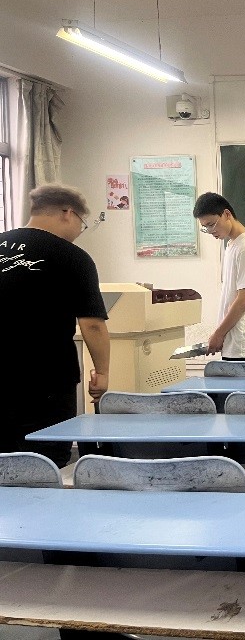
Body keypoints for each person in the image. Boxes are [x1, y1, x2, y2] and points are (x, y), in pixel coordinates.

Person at [0, 184, 110, 468]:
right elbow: (92, 325)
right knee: (46, 463)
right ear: (68, 213)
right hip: (46, 382)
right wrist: (102, 373)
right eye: (82, 224)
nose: (79, 231)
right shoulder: (72, 257)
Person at [193, 192, 245, 359]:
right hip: (235, 342)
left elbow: (243, 300)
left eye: (211, 224)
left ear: (227, 214)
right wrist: (221, 333)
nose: (210, 231)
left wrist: (219, 334)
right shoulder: (232, 244)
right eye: (205, 228)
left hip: (244, 345)